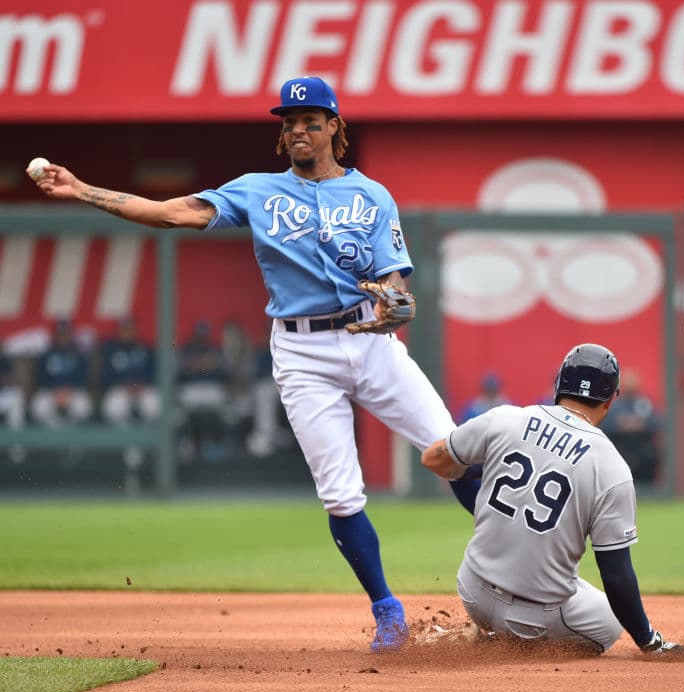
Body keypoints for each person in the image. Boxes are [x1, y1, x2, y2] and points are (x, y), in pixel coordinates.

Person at [31, 75, 480, 653]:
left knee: (455, 451)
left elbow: (395, 279)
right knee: (341, 495)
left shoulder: (371, 195)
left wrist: (395, 301)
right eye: (289, 122)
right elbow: (171, 213)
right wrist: (84, 189)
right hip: (302, 352)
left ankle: (515, 571)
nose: (297, 129)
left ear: (333, 128)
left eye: (310, 121)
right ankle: (387, 611)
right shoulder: (258, 191)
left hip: (370, 344)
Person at [421, 344, 683, 656]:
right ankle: (511, 642)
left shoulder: (506, 418)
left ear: (559, 384)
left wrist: (484, 507)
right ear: (610, 401)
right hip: (534, 619)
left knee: (561, 579)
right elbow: (616, 574)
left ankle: (484, 633)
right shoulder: (612, 466)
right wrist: (648, 640)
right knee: (611, 622)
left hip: (473, 592)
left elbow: (437, 461)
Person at [177, 320, 231, 462]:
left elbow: (225, 375)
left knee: (221, 404)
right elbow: (178, 376)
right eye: (198, 334)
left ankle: (216, 442)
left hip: (211, 388)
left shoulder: (215, 350)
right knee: (183, 408)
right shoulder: (186, 350)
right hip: (191, 389)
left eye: (203, 334)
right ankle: (188, 442)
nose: (201, 337)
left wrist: (209, 366)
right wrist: (196, 366)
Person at [30, 319, 93, 427]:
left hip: (73, 391)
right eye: (61, 334)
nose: (63, 337)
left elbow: (83, 378)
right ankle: (51, 432)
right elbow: (39, 379)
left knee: (84, 406)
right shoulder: (46, 354)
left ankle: (72, 432)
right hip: (50, 391)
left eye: (66, 334)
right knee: (38, 406)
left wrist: (68, 390)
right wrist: (55, 390)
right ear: (55, 335)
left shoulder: (79, 354)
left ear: (71, 335)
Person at [601, 368, 660, 483]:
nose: (630, 388)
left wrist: (641, 424)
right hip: (620, 451)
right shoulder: (614, 406)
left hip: (643, 451)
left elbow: (657, 424)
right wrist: (620, 425)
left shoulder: (645, 404)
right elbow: (603, 426)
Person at [100, 317, 160, 426]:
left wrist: (140, 385)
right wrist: (125, 386)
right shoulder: (110, 350)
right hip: (120, 389)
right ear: (119, 332)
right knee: (113, 405)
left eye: (130, 330)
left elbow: (153, 373)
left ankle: (147, 439)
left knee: (154, 403)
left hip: (143, 389)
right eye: (124, 330)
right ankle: (123, 440)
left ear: (135, 331)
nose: (127, 333)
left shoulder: (146, 349)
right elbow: (106, 377)